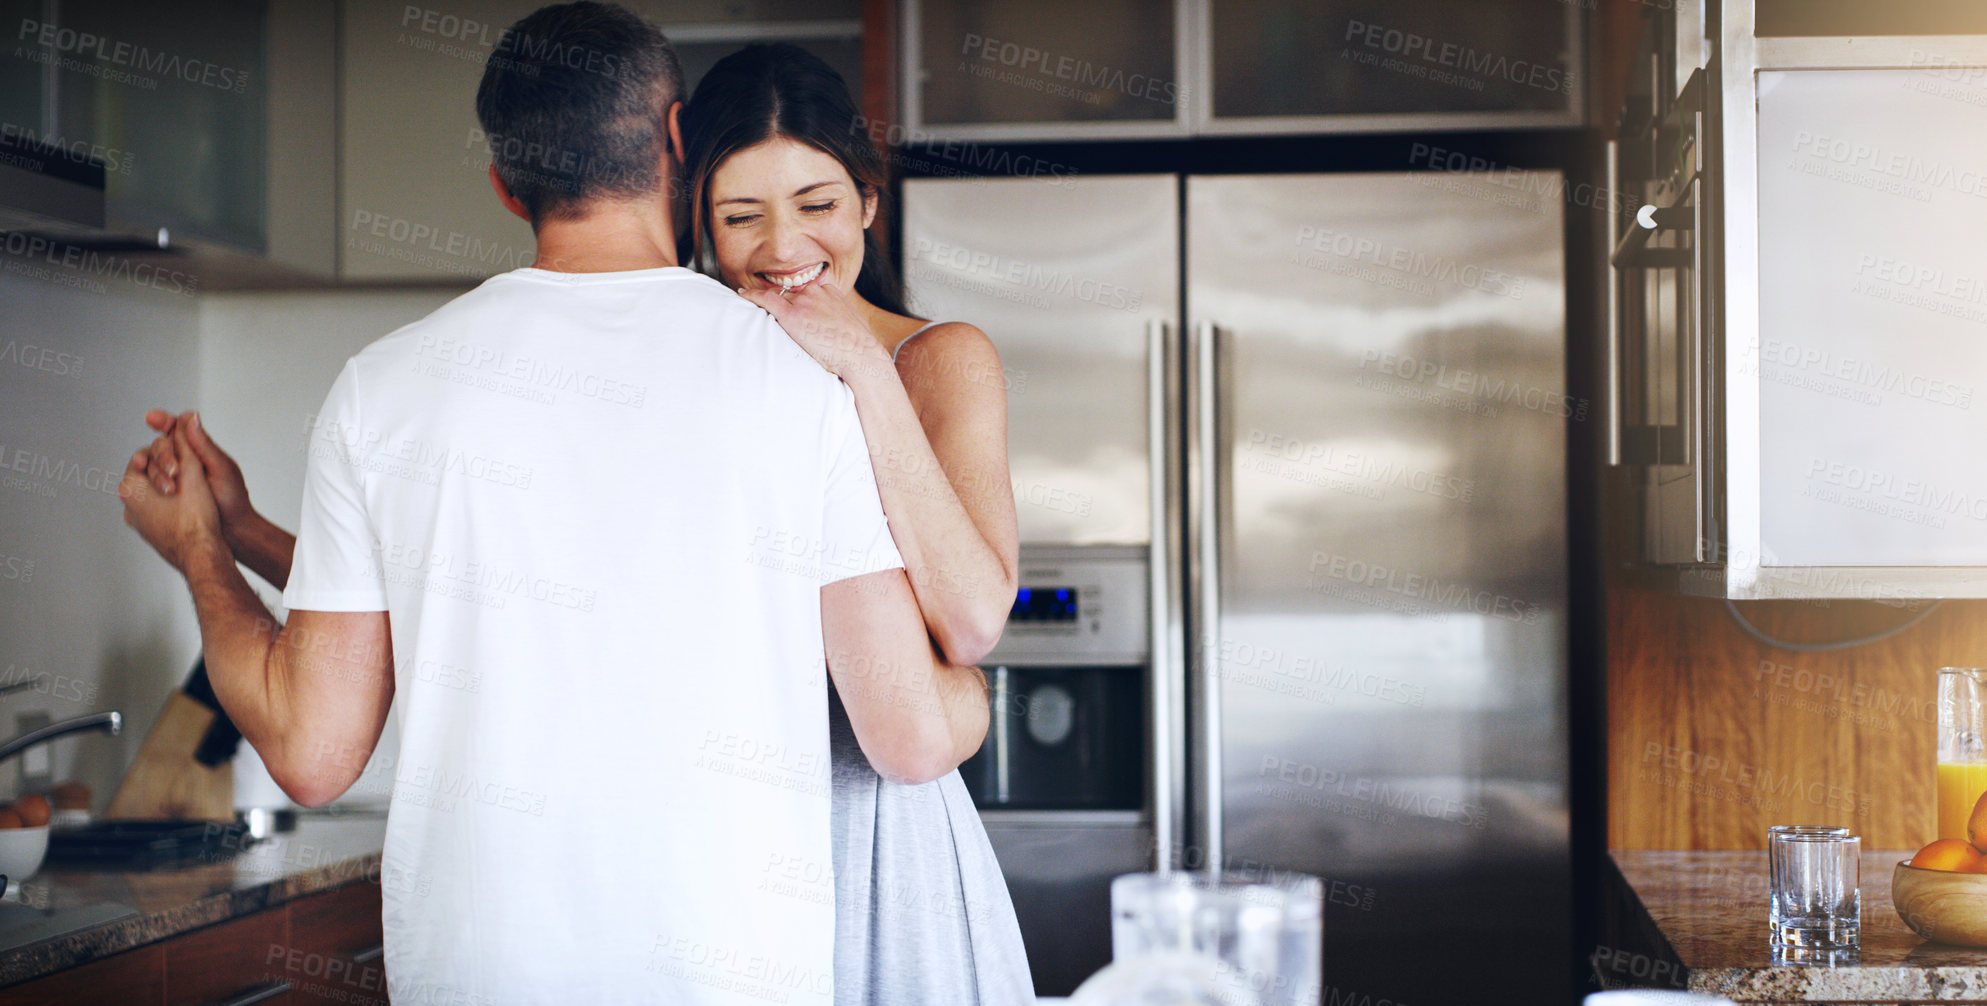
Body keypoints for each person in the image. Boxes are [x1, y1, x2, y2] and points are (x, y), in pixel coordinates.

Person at [115, 4, 989, 1004]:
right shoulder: (800, 375)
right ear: (675, 139)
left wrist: (201, 554)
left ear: (502, 184)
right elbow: (907, 732)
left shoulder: (382, 387)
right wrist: (970, 692)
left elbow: (314, 754)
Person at [679, 44, 1031, 1005]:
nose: (785, 248)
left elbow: (972, 620)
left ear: (869, 201)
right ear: (700, 228)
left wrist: (865, 373)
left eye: (818, 204)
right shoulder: (687, 374)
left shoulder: (942, 360)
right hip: (721, 814)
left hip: (885, 818)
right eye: (740, 216)